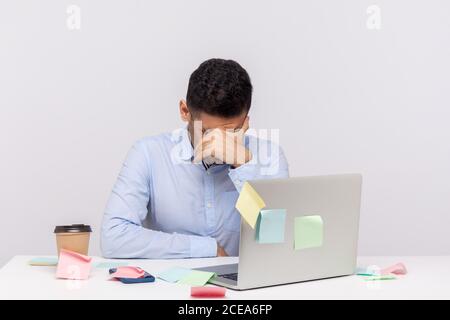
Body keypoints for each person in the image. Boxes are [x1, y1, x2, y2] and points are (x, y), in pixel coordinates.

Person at [101, 58, 289, 259]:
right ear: (185, 112)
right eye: (207, 132)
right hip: (167, 286)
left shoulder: (269, 156)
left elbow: (274, 238)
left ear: (246, 120)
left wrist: (244, 167)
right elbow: (114, 237)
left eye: (231, 132)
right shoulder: (148, 153)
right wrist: (207, 249)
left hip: (244, 288)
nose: (219, 144)